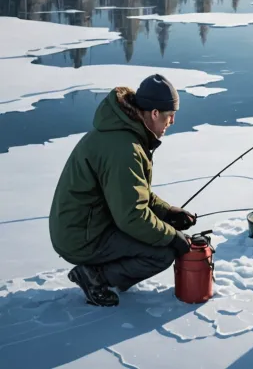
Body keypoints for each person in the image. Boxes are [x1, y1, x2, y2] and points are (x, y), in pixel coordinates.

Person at [50, 74, 196, 307]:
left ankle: (100, 269)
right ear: (154, 113)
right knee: (162, 253)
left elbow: (134, 193)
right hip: (81, 237)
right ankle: (94, 277)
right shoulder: (124, 148)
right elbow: (132, 216)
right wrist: (171, 236)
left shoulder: (124, 134)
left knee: (156, 237)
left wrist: (168, 212)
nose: (172, 121)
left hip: (86, 225)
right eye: (170, 115)